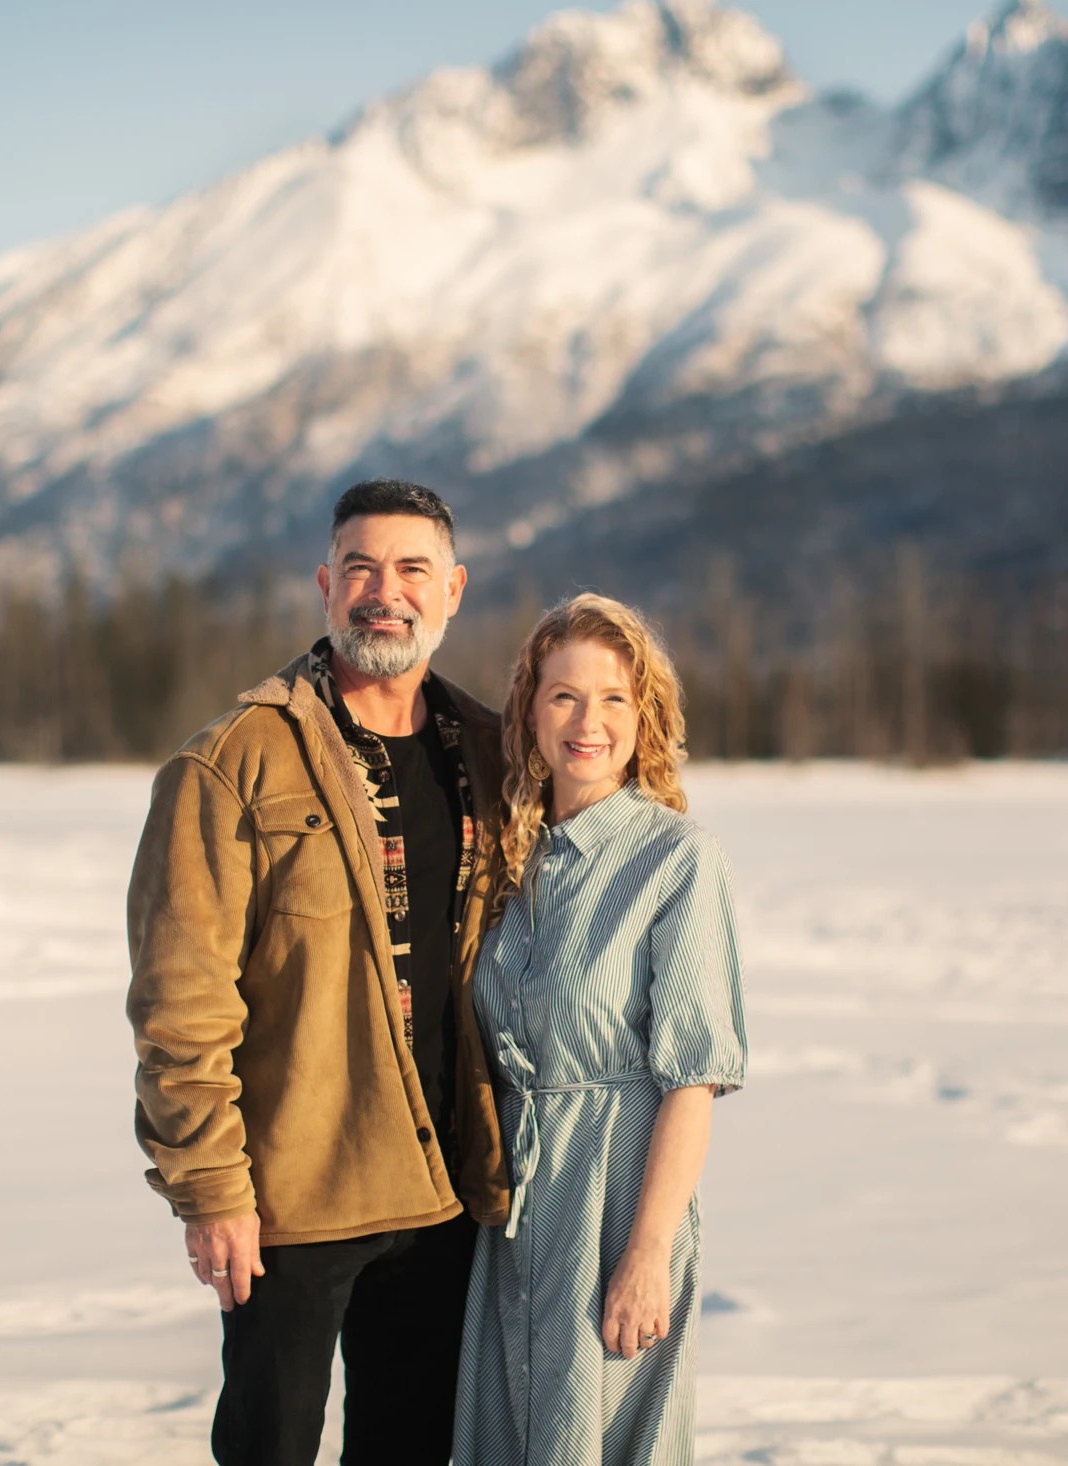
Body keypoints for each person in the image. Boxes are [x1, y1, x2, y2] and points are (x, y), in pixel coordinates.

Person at [125, 479, 511, 1466]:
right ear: (325, 586)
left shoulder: (489, 751)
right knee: (270, 1447)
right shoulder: (231, 762)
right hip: (293, 1191)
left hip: (442, 1189)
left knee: (414, 1445)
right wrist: (211, 1185)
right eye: (360, 568)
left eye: (412, 568)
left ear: (453, 589)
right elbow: (181, 1000)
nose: (386, 591)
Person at [454, 593, 748, 1466]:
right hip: (512, 1211)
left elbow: (693, 1079)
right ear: (529, 712)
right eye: (564, 696)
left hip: (619, 1201)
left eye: (614, 697)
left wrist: (648, 1252)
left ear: (643, 715)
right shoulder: (508, 859)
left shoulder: (677, 859)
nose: (589, 721)